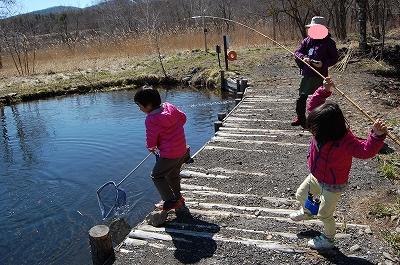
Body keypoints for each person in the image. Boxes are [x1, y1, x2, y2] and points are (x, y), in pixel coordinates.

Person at [289, 77, 387, 250]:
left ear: (329, 128)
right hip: (315, 175)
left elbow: (365, 151)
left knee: (325, 214)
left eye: (314, 128)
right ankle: (307, 211)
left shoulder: (345, 141)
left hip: (333, 184)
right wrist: (324, 90)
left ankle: (328, 238)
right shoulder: (320, 122)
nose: (312, 130)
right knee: (300, 194)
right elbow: (314, 104)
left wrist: (376, 135)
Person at [134, 86, 189, 212]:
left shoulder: (151, 119)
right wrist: (172, 131)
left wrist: (151, 147)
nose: (139, 109)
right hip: (181, 149)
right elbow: (183, 118)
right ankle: (178, 198)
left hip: (169, 154)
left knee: (156, 176)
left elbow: (151, 138)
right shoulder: (170, 106)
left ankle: (170, 202)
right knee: (172, 175)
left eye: (140, 106)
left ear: (148, 105)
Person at [292, 16, 339, 127]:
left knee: (319, 99)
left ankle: (318, 121)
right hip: (307, 75)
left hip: (320, 76)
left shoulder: (329, 42)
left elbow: (334, 58)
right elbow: (297, 52)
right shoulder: (307, 40)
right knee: (301, 98)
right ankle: (300, 118)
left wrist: (323, 63)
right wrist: (303, 57)